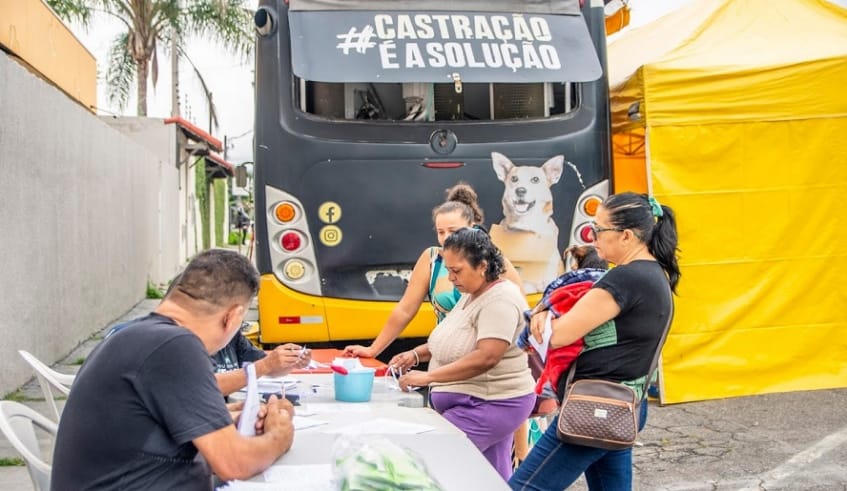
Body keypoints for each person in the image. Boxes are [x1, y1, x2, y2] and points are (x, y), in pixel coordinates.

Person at [52, 249, 295, 490]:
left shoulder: (138, 336)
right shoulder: (176, 345)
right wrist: (279, 435)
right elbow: (234, 463)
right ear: (232, 317)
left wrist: (239, 414)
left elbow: (154, 423)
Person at [509, 192, 680, 490]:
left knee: (524, 487)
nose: (592, 237)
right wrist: (547, 309)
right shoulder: (652, 275)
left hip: (595, 407)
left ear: (626, 236)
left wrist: (544, 315)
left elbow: (560, 335)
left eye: (599, 230)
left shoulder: (626, 279)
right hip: (620, 405)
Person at [397, 227, 536, 480]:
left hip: (490, 404)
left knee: (433, 466)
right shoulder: (472, 293)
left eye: (456, 270)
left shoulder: (500, 300)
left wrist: (429, 378)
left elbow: (486, 356)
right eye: (448, 270)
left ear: (482, 266)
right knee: (490, 477)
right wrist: (416, 355)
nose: (450, 278)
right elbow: (455, 339)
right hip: (476, 402)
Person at [344, 183, 524, 360]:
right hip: (446, 356)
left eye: (453, 231)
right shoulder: (431, 259)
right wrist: (373, 349)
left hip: (485, 359)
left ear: (473, 226)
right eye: (440, 232)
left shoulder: (494, 262)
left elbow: (523, 313)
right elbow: (405, 309)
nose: (446, 237)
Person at [213, 327, 312, 397]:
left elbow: (267, 367)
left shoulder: (233, 336)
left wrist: (290, 362)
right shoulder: (200, 341)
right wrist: (266, 365)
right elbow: (208, 386)